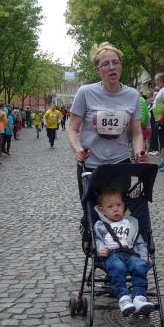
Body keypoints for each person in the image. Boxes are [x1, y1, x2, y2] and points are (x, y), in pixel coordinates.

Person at [68, 43, 146, 209]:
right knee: (92, 214)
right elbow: (72, 129)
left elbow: (137, 133)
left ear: (121, 66)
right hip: (91, 165)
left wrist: (139, 152)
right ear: (97, 70)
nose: (112, 67)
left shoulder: (133, 95)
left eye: (115, 62)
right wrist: (78, 149)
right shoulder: (85, 92)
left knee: (118, 213)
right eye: (105, 64)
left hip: (120, 163)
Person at [94, 188, 154, 316]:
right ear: (102, 210)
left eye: (118, 205)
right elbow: (97, 241)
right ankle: (123, 297)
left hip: (131, 254)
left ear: (124, 206)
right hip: (112, 256)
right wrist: (100, 248)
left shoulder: (130, 223)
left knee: (140, 265)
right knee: (118, 267)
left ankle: (139, 297)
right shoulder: (101, 225)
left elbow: (140, 242)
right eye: (110, 207)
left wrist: (143, 253)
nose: (115, 209)